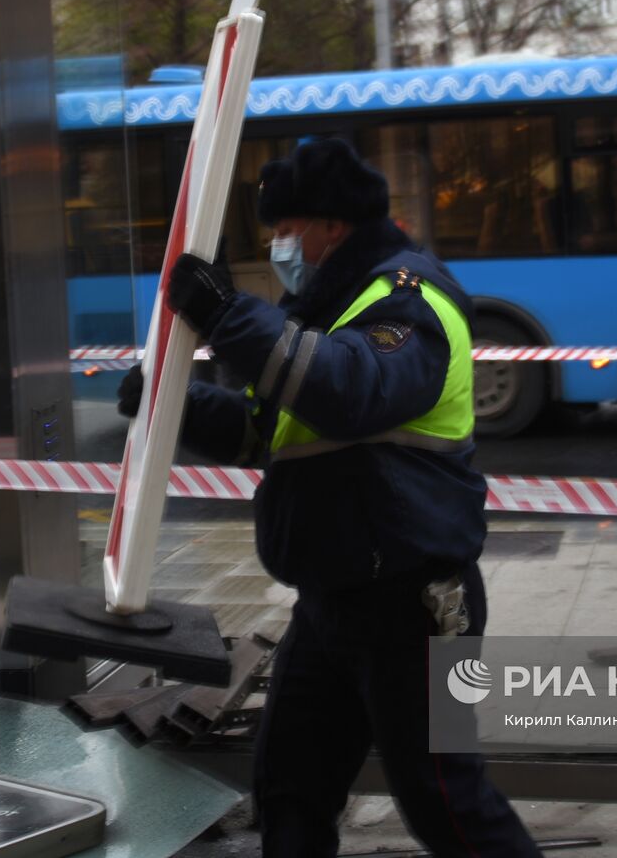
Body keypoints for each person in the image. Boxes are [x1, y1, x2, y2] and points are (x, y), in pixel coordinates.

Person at [119, 138, 541, 857]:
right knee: (289, 786)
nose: (279, 245)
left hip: (417, 601)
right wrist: (171, 403)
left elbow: (348, 391)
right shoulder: (325, 307)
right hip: (332, 600)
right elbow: (270, 431)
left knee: (443, 796)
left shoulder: (408, 300)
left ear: (332, 226)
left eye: (286, 229)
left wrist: (227, 315)